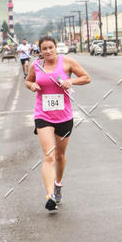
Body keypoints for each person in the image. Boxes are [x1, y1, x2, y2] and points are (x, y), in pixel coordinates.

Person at [25, 35, 90, 211]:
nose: (47, 51)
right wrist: (31, 86)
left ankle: (58, 184)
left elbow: (86, 77)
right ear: (40, 50)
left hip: (64, 116)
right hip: (43, 115)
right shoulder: (36, 66)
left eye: (50, 48)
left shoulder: (67, 62)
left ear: (55, 48)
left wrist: (71, 81)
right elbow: (28, 80)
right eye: (44, 49)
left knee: (60, 156)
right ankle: (50, 195)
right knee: (49, 156)